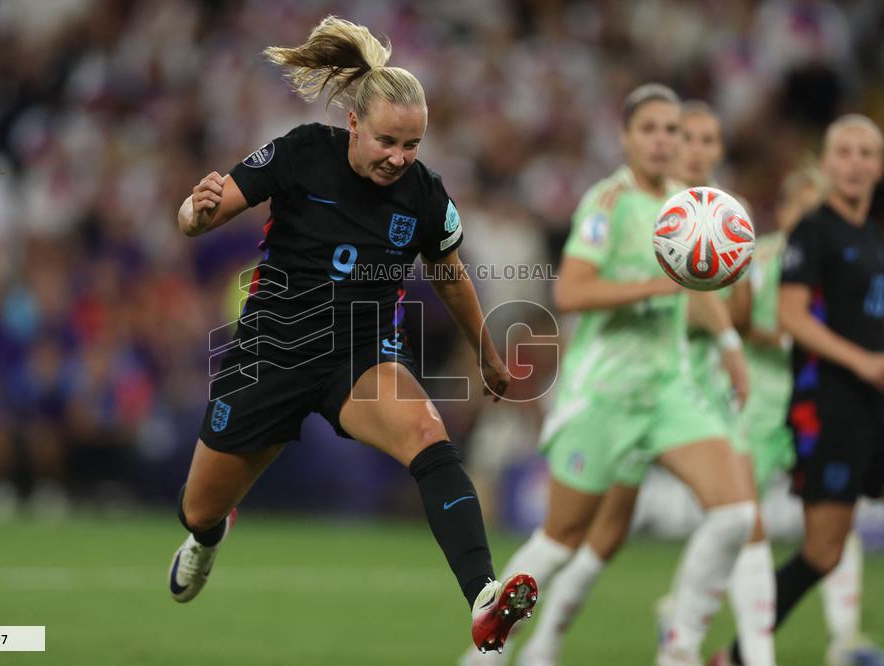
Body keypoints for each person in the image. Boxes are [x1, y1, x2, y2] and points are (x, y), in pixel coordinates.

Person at [167, 16, 536, 654]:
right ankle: (208, 535)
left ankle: (482, 597)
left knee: (428, 434)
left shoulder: (425, 196)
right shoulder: (303, 150)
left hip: (361, 355)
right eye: (389, 141)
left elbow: (449, 277)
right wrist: (193, 213)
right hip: (270, 350)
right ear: (354, 126)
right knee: (198, 508)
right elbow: (204, 212)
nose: (399, 157)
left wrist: (486, 350)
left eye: (413, 144)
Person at [464, 84, 757, 666]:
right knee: (563, 538)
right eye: (648, 128)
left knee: (736, 513)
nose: (662, 140)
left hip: (670, 389)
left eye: (672, 130)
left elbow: (698, 293)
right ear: (624, 137)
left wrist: (726, 342)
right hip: (605, 393)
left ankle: (680, 648)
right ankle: (486, 655)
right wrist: (658, 282)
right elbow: (570, 292)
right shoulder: (607, 202)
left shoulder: (689, 206)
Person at [722, 115, 884, 665]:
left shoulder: (873, 232)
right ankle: (740, 652)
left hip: (874, 401)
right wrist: (863, 362)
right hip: (830, 405)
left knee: (827, 550)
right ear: (828, 161)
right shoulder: (812, 229)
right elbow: (792, 316)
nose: (856, 163)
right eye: (845, 152)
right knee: (821, 551)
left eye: (867, 153)